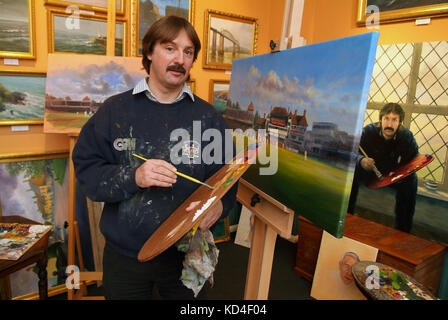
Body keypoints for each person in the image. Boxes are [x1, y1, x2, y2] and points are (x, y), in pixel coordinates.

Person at [72, 16, 237, 300]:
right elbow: (87, 171)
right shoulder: (114, 111)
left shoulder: (208, 117)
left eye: (188, 52)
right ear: (149, 52)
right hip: (126, 256)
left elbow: (227, 176)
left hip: (186, 253)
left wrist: (220, 205)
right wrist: (133, 176)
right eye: (170, 48)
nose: (180, 60)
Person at [348, 103, 419, 233]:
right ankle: (346, 217)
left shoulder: (406, 137)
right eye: (386, 118)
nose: (389, 124)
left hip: (394, 176)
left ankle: (403, 230)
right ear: (380, 119)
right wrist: (361, 161)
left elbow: (414, 160)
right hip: (369, 172)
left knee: (412, 180)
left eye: (394, 120)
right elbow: (351, 152)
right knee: (351, 171)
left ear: (400, 123)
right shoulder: (368, 131)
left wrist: (400, 172)